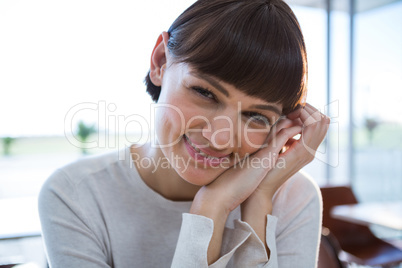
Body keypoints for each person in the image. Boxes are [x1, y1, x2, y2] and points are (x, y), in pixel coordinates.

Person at [38, 0, 330, 267]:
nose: (220, 138)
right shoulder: (75, 194)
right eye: (204, 92)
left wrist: (258, 201)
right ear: (161, 62)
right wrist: (209, 211)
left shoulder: (293, 198)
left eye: (256, 116)